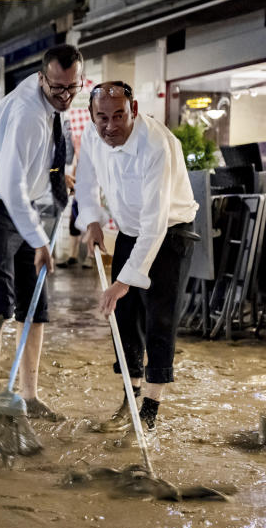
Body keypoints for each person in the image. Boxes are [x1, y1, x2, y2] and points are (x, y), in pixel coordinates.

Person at [0, 44, 85, 421]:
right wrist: (38, 240)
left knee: (36, 308)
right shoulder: (27, 115)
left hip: (26, 208)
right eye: (57, 89)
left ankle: (30, 396)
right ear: (40, 79)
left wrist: (53, 179)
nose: (65, 96)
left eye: (72, 88)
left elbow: (35, 167)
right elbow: (10, 186)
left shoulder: (54, 108)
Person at [75, 81, 198, 433]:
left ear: (134, 109)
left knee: (160, 317)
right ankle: (131, 396)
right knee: (124, 318)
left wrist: (122, 281)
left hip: (171, 230)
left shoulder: (156, 144)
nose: (110, 126)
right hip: (130, 229)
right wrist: (93, 220)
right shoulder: (92, 136)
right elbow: (85, 184)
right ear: (91, 115)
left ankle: (151, 409)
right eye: (102, 118)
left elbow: (156, 223)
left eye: (119, 116)